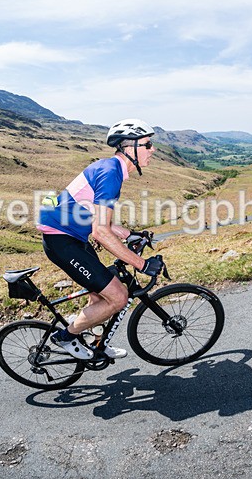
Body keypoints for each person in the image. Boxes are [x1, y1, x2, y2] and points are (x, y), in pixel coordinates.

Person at [38, 118, 162, 360]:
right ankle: (66, 337)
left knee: (99, 296)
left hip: (73, 236)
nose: (152, 150)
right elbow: (101, 232)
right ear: (130, 148)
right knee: (118, 297)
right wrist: (143, 264)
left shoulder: (110, 169)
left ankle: (97, 346)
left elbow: (98, 217)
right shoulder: (110, 174)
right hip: (62, 242)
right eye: (147, 145)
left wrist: (129, 234)